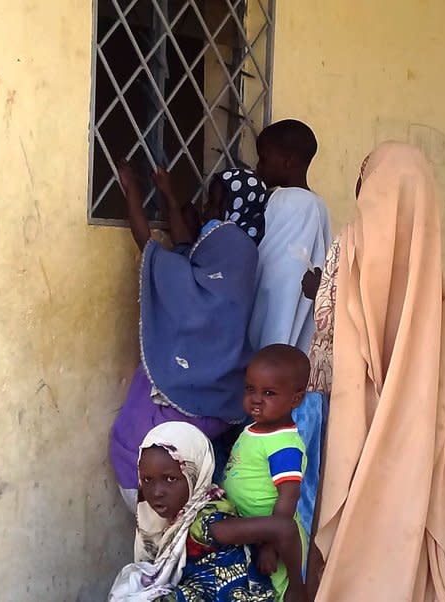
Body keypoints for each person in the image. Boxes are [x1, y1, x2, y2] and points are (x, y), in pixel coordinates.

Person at [302, 142, 445, 601]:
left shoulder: (351, 243)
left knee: (357, 508)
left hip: (353, 409)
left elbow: (325, 330)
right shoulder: (432, 267)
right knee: (412, 498)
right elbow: (442, 362)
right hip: (417, 415)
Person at [109, 164, 260, 511]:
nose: (204, 208)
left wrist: (133, 193)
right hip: (205, 426)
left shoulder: (222, 258)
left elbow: (155, 248)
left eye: (212, 203)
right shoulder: (235, 263)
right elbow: (186, 249)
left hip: (150, 467)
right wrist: (168, 195)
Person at [109, 421, 306, 602]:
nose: (156, 492)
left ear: (194, 476)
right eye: (148, 480)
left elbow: (285, 528)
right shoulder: (179, 515)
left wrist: (297, 589)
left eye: (170, 479)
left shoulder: (207, 524)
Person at [222, 345, 309, 602]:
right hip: (251, 527)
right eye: (251, 389)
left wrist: (271, 546)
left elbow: (288, 498)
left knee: (276, 587)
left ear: (295, 400)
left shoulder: (283, 445)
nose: (256, 399)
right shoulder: (256, 429)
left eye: (269, 393)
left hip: (272, 534)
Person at [248, 119, 332, 354]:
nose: (258, 167)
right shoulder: (317, 203)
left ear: (289, 161)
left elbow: (279, 277)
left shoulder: (288, 201)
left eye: (264, 159)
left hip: (276, 321)